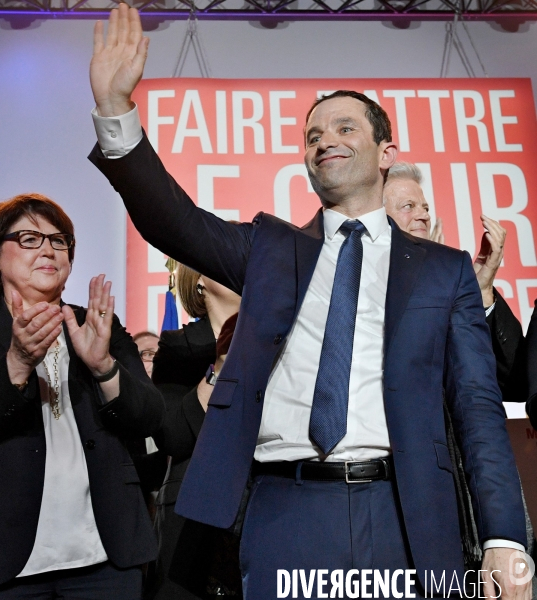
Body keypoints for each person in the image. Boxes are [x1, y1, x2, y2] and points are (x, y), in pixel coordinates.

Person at [88, 7, 528, 598]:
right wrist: (116, 112)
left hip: (403, 512)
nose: (325, 142)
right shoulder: (270, 248)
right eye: (313, 136)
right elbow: (176, 223)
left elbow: (477, 409)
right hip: (282, 512)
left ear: (386, 150)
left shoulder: (442, 271)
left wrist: (506, 539)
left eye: (345, 128)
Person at [0, 193, 164, 599]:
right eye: (30, 239)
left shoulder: (98, 326)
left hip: (104, 559)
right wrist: (16, 363)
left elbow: (151, 417)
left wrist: (104, 366)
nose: (50, 249)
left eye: (60, 240)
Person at [383, 162, 525, 395]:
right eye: (409, 206)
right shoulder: (355, 280)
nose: (424, 215)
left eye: (425, 207)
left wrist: (481, 291)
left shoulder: (452, 283)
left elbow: (513, 381)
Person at [152, 263, 241, 599]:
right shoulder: (178, 348)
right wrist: (221, 367)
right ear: (200, 282)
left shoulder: (281, 336)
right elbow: (174, 435)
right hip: (194, 515)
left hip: (267, 504)